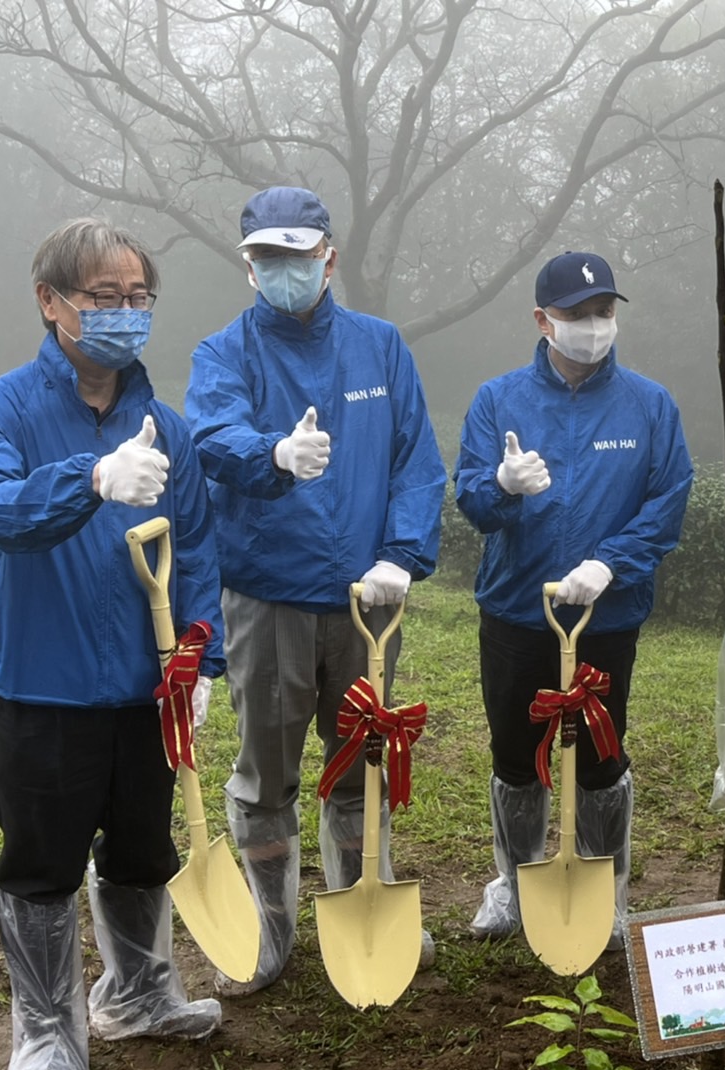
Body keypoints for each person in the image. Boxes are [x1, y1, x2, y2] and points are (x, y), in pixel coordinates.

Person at [0, 218, 225, 1070]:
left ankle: (138, 993)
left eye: (138, 297)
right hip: (43, 684)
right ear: (51, 301)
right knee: (42, 862)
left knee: (143, 847)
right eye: (104, 297)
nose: (125, 313)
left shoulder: (167, 427)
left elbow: (198, 549)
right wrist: (94, 478)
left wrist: (201, 659)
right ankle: (45, 1032)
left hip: (147, 688)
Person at [186, 187, 447, 995]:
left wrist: (401, 554)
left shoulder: (380, 347)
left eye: (297, 255)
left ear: (328, 257)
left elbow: (415, 459)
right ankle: (270, 926)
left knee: (363, 759)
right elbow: (212, 435)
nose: (284, 270)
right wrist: (272, 454)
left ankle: (363, 905)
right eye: (267, 257)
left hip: (369, 603)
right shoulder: (223, 353)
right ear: (249, 267)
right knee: (266, 772)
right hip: (268, 596)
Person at [456, 250, 693, 945]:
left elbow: (667, 502)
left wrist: (611, 564)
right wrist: (501, 486)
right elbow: (472, 500)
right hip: (516, 609)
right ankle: (514, 881)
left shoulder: (649, 405)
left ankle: (604, 891)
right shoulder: (498, 399)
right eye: (576, 314)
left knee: (599, 757)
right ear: (543, 320)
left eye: (603, 311)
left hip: (606, 617)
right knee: (516, 753)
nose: (593, 325)